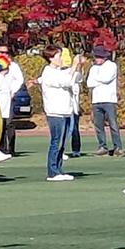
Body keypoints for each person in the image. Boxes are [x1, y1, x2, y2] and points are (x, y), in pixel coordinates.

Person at [36, 45, 82, 181]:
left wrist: (78, 66)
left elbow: (76, 78)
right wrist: (73, 65)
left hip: (66, 111)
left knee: (62, 143)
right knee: (56, 142)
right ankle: (52, 171)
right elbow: (66, 82)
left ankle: (59, 169)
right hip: (55, 113)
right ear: (51, 58)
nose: (61, 59)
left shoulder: (60, 71)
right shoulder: (48, 73)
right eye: (58, 56)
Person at [0, 42, 25, 162]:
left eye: (6, 52)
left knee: (8, 124)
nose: (3, 54)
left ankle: (8, 149)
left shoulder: (13, 66)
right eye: (0, 52)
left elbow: (19, 80)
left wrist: (12, 91)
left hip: (8, 99)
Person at [86, 45, 124, 157]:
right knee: (98, 125)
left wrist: (96, 79)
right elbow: (89, 83)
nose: (97, 59)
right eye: (96, 57)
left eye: (99, 57)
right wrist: (98, 80)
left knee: (113, 124)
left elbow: (106, 79)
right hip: (96, 100)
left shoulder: (111, 66)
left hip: (109, 100)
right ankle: (102, 146)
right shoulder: (93, 68)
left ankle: (118, 147)